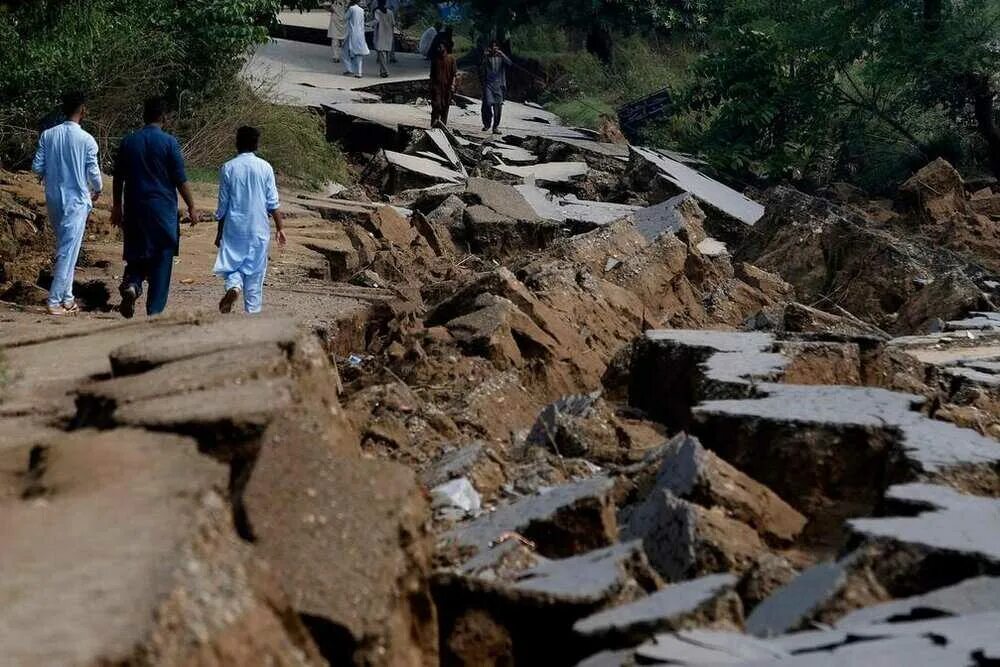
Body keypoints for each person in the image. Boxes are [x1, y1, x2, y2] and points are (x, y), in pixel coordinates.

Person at [111, 97, 198, 319]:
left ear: (144, 116)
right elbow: (180, 179)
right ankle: (154, 312)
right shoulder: (169, 143)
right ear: (164, 117)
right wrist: (191, 207)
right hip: (162, 212)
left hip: (135, 209)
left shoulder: (129, 142)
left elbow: (118, 178)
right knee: (161, 259)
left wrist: (117, 207)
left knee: (137, 255)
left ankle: (133, 284)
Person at [31, 91, 102, 316]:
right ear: (82, 110)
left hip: (54, 198)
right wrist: (98, 189)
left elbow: (36, 167)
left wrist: (46, 174)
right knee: (67, 249)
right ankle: (54, 301)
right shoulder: (87, 140)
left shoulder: (48, 135)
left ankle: (67, 297)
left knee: (67, 248)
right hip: (77, 199)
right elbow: (94, 174)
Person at [213, 127, 286, 315]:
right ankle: (251, 317)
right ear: (256, 144)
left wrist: (219, 231)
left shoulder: (228, 167)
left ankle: (235, 287)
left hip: (234, 227)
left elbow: (223, 206)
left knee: (231, 265)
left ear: (237, 143)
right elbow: (273, 202)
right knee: (254, 273)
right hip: (258, 228)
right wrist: (280, 228)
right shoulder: (265, 167)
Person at [480, 40, 512, 135]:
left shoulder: (501, 57)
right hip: (488, 84)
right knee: (488, 104)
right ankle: (487, 124)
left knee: (498, 107)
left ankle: (495, 127)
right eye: (493, 46)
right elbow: (481, 68)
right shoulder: (487, 57)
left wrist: (502, 54)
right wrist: (485, 56)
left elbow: (510, 63)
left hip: (499, 85)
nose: (495, 48)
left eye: (496, 47)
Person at [429, 39, 457, 128]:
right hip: (437, 87)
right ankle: (433, 125)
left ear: (445, 48)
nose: (438, 48)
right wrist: (432, 86)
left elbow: (454, 74)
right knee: (436, 106)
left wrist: (453, 85)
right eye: (438, 47)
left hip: (447, 87)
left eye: (440, 47)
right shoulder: (435, 60)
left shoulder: (451, 59)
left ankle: (443, 127)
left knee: (445, 108)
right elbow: (432, 75)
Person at [341, 0, 370, 78]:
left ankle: (350, 69)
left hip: (352, 33)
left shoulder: (351, 9)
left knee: (344, 51)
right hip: (360, 34)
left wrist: (345, 9)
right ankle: (359, 72)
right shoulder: (361, 10)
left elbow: (344, 18)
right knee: (359, 53)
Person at [373, 0, 395, 79]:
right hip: (388, 35)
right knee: (385, 55)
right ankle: (382, 71)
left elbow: (376, 21)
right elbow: (393, 24)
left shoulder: (378, 12)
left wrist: (369, 24)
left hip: (380, 35)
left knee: (381, 55)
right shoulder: (390, 12)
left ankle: (385, 71)